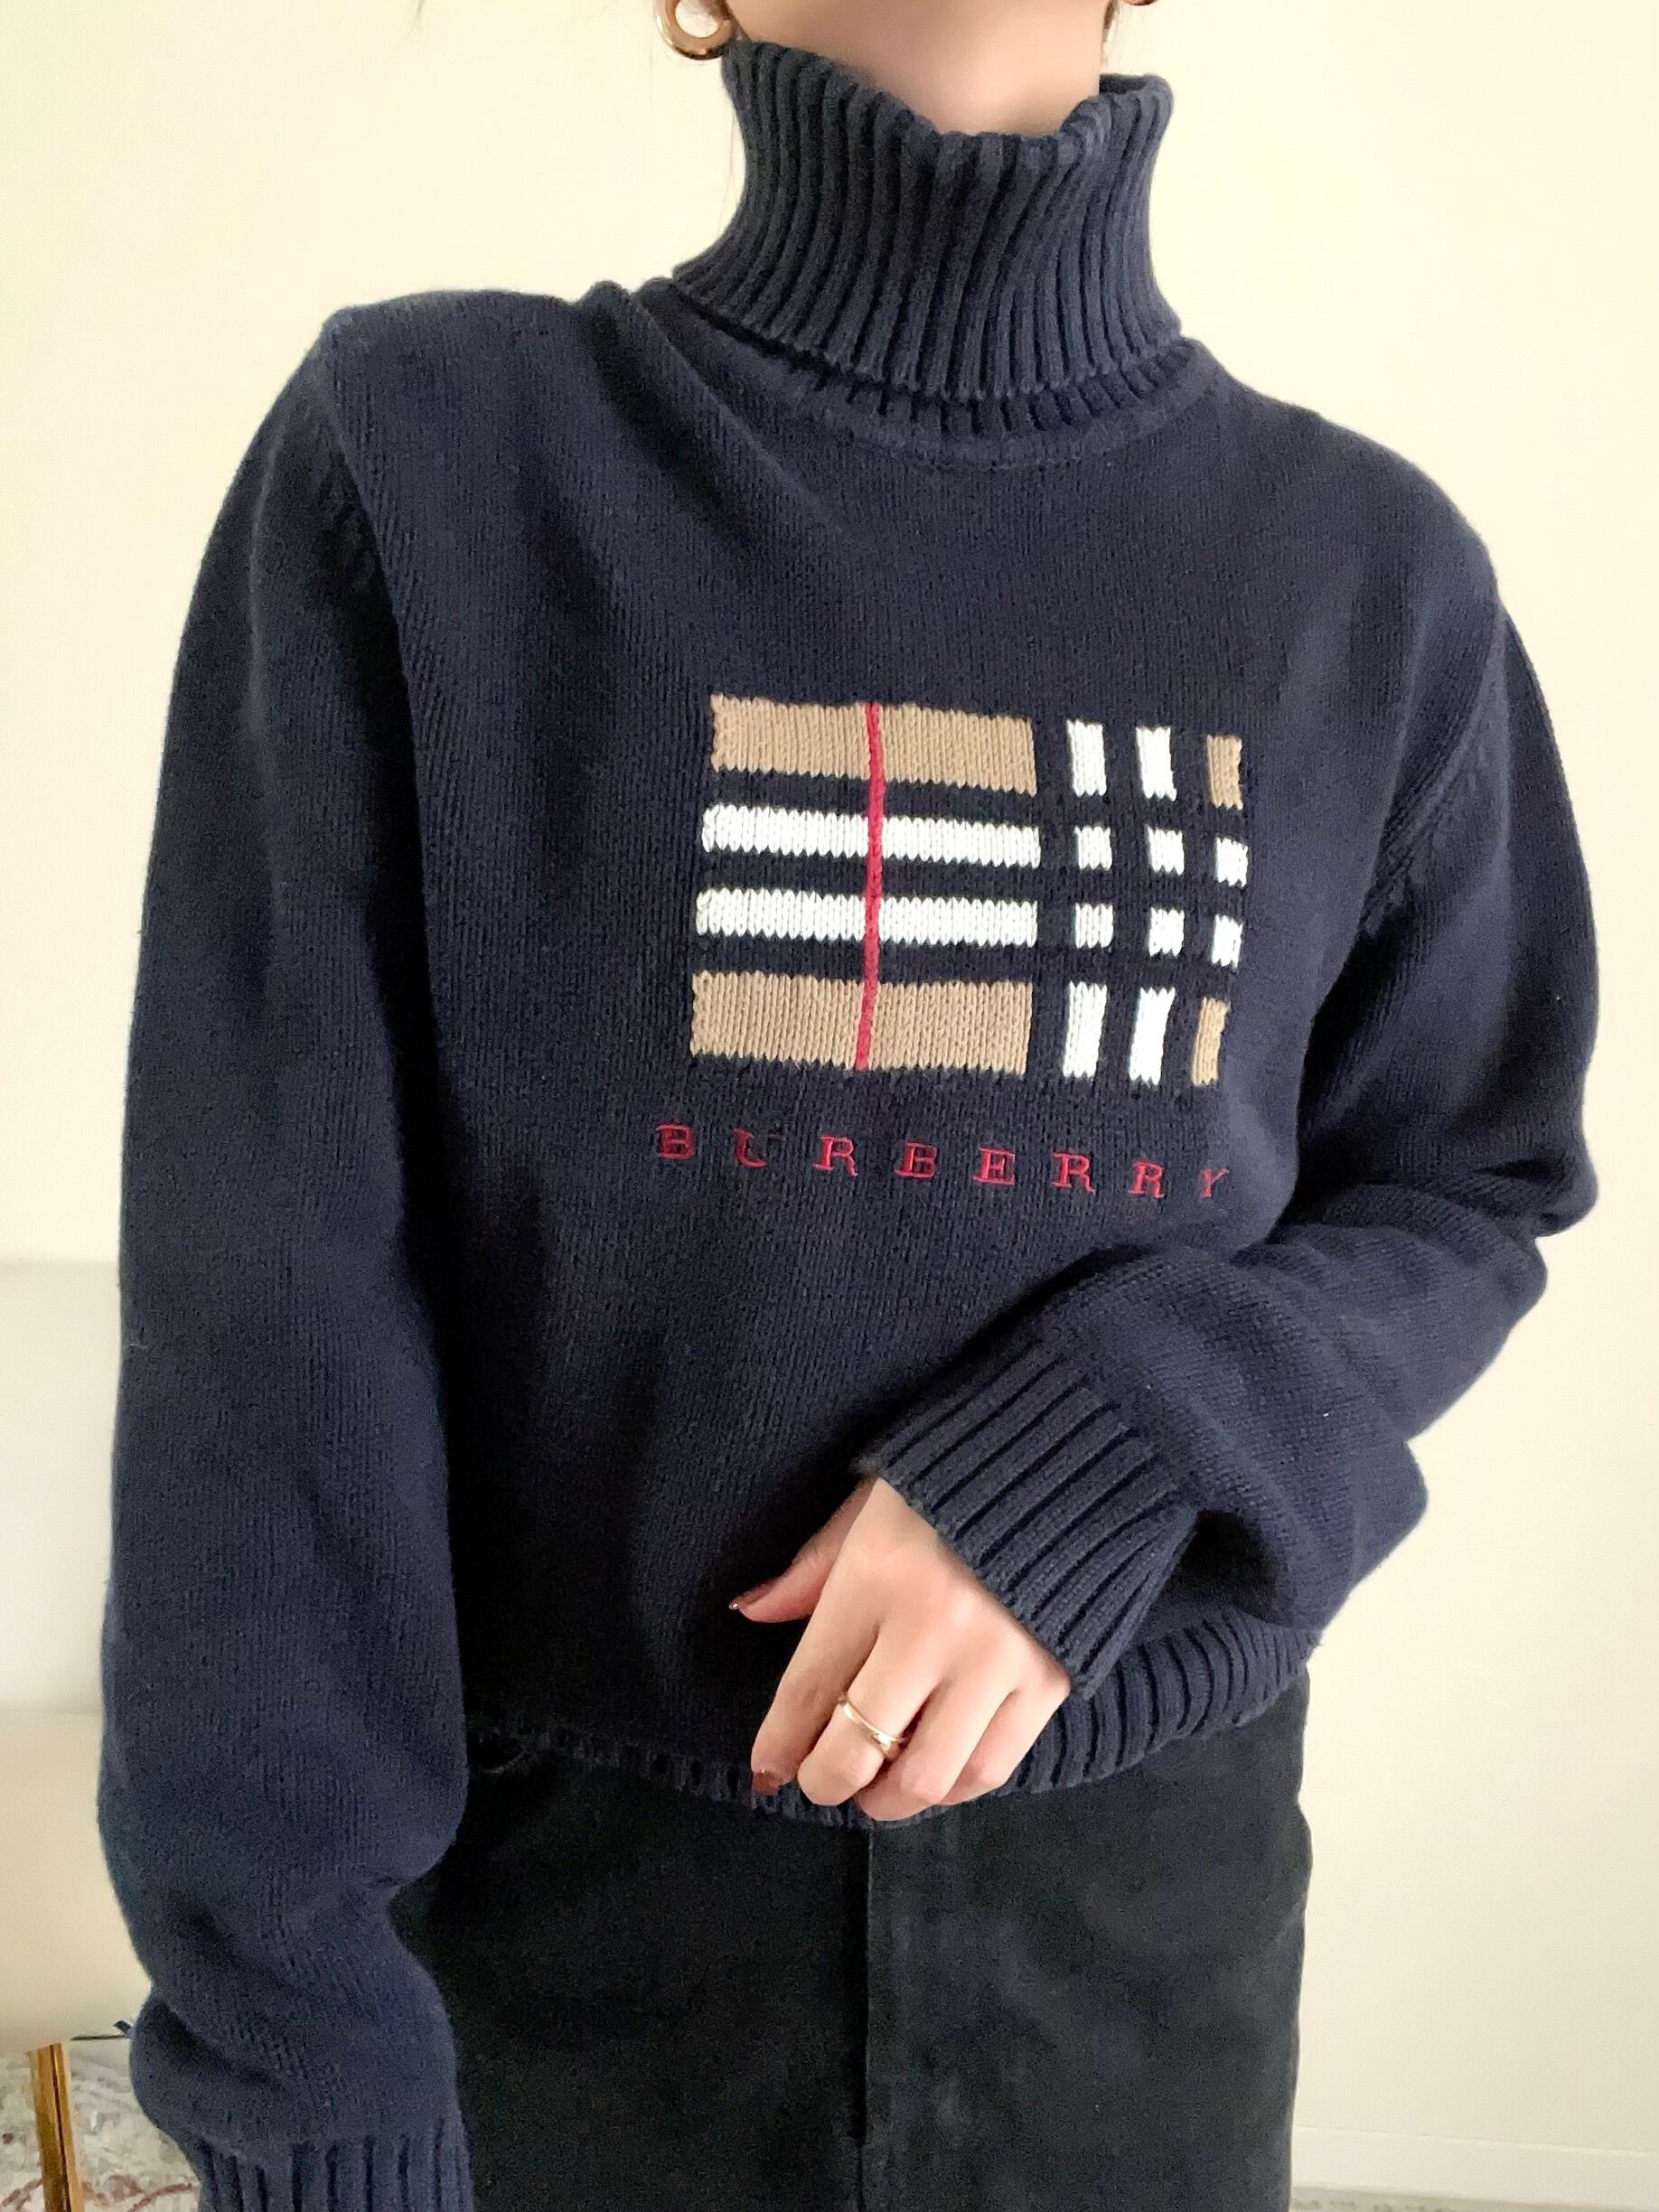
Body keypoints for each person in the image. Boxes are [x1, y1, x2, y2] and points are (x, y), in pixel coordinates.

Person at [95, 2, 1599, 2208]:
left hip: (1144, 1953)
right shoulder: (429, 465)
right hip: (553, 1964)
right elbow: (270, 1331)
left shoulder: (1374, 580)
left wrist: (1121, 1431)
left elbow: (1470, 1175)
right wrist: (298, 2071)